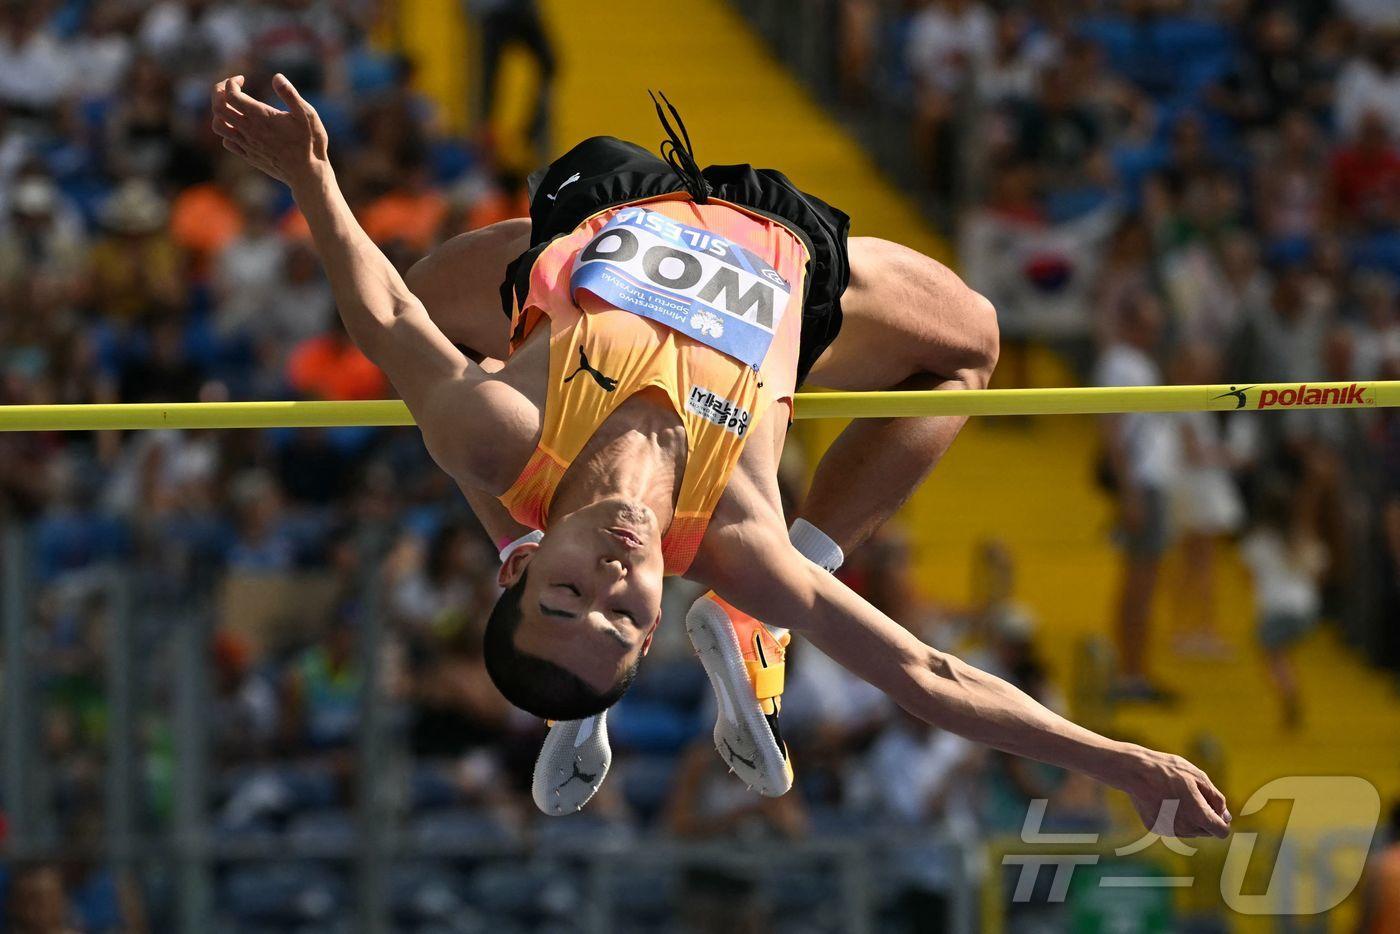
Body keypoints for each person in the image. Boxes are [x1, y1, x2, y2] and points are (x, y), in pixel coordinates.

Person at [209, 73, 1232, 840]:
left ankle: (574, 674)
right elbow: (923, 674)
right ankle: (750, 626)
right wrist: (1117, 760)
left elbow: (386, 310)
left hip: (611, 205)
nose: (610, 581)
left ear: (523, 565)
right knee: (969, 341)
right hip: (775, 252)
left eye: (567, 595)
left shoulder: (498, 435)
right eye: (623, 619)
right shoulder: (740, 538)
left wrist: (312, 175)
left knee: (435, 322)